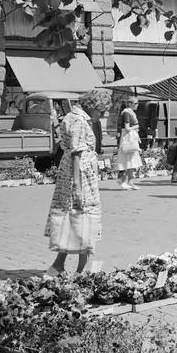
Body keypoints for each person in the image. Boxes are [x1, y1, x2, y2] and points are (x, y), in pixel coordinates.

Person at [44, 89, 106, 276]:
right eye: (101, 111)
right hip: (79, 177)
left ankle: (58, 265)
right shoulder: (79, 120)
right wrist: (78, 186)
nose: (102, 115)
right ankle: (82, 271)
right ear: (92, 106)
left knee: (72, 220)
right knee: (85, 219)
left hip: (71, 175)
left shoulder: (72, 117)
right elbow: (77, 154)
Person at [115, 96, 142, 189]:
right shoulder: (127, 113)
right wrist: (136, 126)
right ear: (130, 104)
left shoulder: (130, 113)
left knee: (132, 160)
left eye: (137, 103)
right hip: (127, 137)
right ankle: (123, 180)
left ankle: (129, 181)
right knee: (128, 159)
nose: (137, 105)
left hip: (130, 136)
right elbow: (127, 127)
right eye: (135, 103)